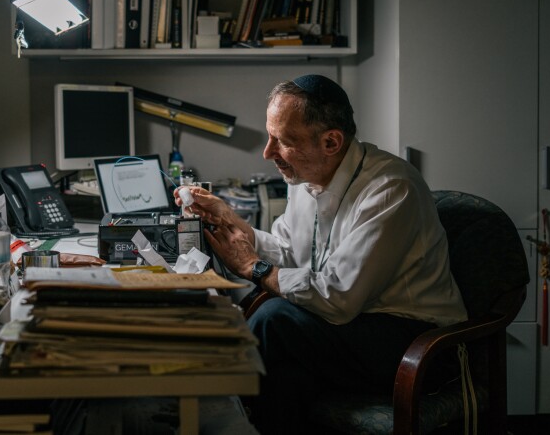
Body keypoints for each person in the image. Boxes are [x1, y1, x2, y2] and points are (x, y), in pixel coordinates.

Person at [175, 74, 467, 434]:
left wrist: (254, 267)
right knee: (286, 378)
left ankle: (202, 411)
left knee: (274, 318)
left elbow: (339, 297)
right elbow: (287, 251)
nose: (268, 153)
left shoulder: (391, 188)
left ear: (331, 141)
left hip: (413, 340)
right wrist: (232, 221)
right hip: (349, 328)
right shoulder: (305, 176)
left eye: (282, 141)